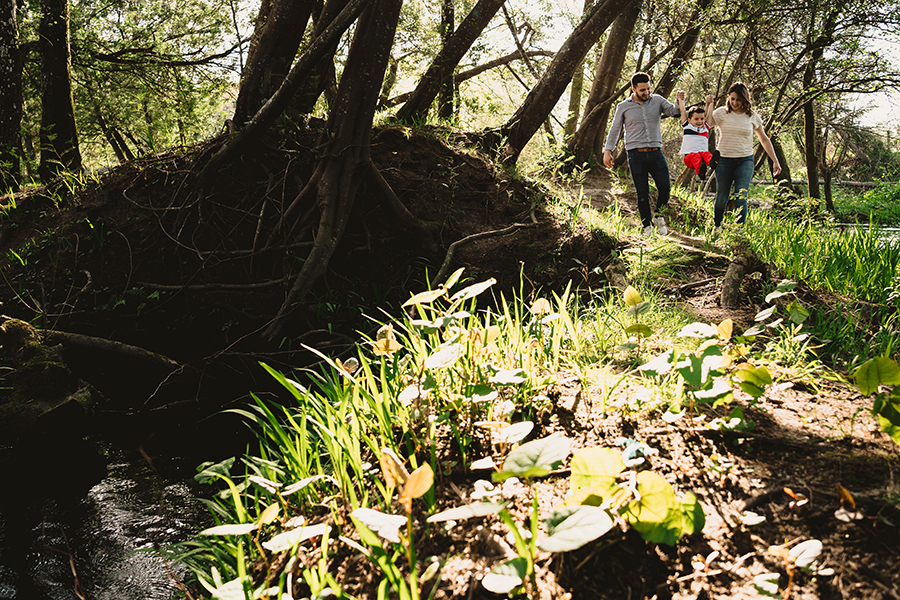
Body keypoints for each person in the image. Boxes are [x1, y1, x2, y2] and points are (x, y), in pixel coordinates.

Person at [603, 72, 683, 236]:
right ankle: (647, 226)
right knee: (642, 192)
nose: (646, 93)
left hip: (655, 153)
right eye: (642, 90)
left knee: (665, 187)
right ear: (633, 89)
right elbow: (615, 130)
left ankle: (658, 217)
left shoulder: (658, 100)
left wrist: (679, 100)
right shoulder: (623, 106)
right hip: (635, 155)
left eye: (648, 89)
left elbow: (674, 112)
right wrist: (608, 151)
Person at [704, 82, 782, 230]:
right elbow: (707, 124)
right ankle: (717, 226)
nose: (734, 102)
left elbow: (764, 139)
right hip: (724, 161)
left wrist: (775, 161)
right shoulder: (721, 113)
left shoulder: (752, 116)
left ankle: (739, 232)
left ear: (744, 100)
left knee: (741, 196)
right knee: (722, 197)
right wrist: (709, 105)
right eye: (732, 99)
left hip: (745, 161)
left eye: (738, 100)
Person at [676, 99, 712, 180]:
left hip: (702, 158)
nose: (699, 121)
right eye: (696, 119)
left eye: (702, 119)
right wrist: (681, 100)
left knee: (706, 154)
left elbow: (708, 115)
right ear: (689, 120)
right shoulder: (687, 126)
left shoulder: (705, 128)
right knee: (695, 155)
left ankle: (712, 162)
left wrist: (710, 103)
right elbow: (683, 112)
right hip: (689, 158)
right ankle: (700, 172)